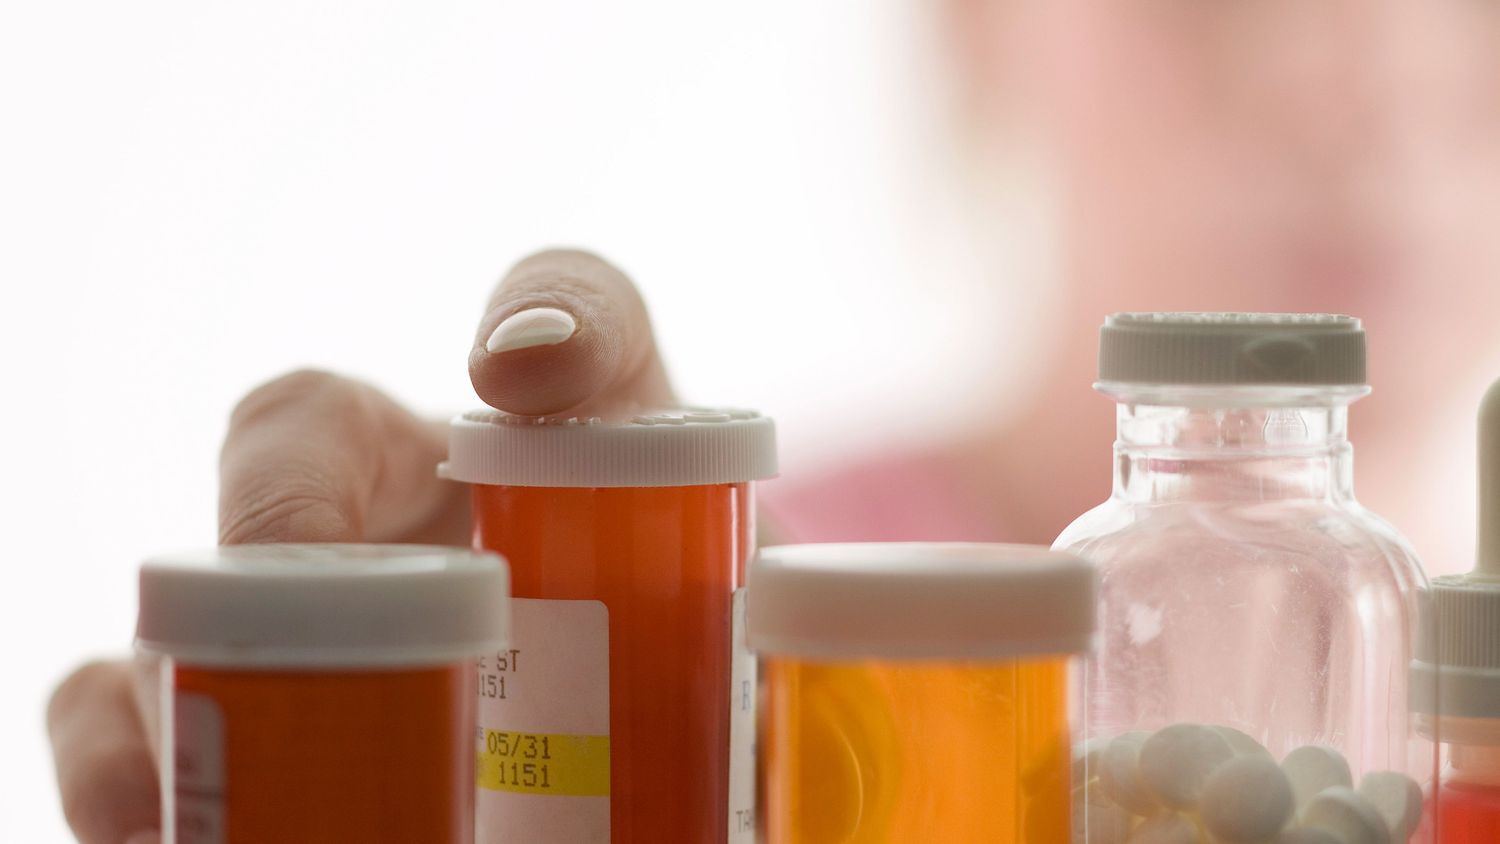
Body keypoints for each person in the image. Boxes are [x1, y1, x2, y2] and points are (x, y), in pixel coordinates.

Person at [48, 2, 1500, 841]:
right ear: (974, 24)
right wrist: (596, 695)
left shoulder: (1426, 690)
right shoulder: (744, 628)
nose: (1367, 73)